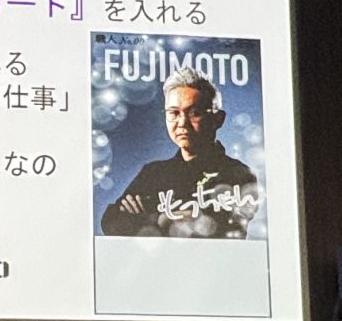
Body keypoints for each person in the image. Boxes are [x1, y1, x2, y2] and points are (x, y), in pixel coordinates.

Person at [99, 67, 261, 238]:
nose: (182, 122)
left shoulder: (239, 174)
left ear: (218, 119)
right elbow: (110, 221)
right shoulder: (153, 173)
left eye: (194, 113)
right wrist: (162, 219)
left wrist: (149, 218)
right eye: (174, 113)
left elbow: (216, 231)